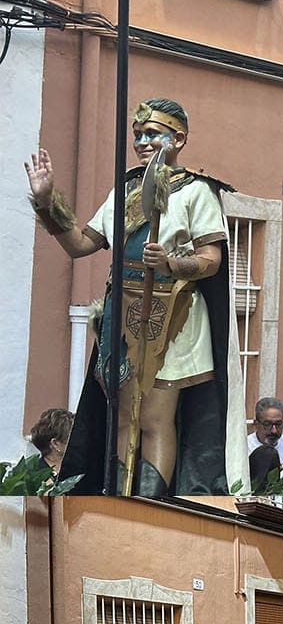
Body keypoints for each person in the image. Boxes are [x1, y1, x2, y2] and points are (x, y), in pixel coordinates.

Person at [26, 98, 241, 496]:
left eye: (152, 134)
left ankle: (150, 504)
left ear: (179, 138)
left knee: (155, 420)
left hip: (172, 316)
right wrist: (46, 200)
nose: (142, 142)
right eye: (138, 135)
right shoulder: (125, 189)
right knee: (124, 419)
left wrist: (172, 263)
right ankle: (123, 500)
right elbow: (80, 243)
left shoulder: (198, 192)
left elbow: (211, 259)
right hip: (120, 315)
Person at [247, 396, 283, 483]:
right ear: (256, 424)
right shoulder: (245, 446)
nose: (274, 431)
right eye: (267, 424)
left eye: (278, 424)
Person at [29, 408, 73, 474]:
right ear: (55, 444)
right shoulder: (34, 475)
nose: (79, 442)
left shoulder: (78, 467)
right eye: (73, 438)